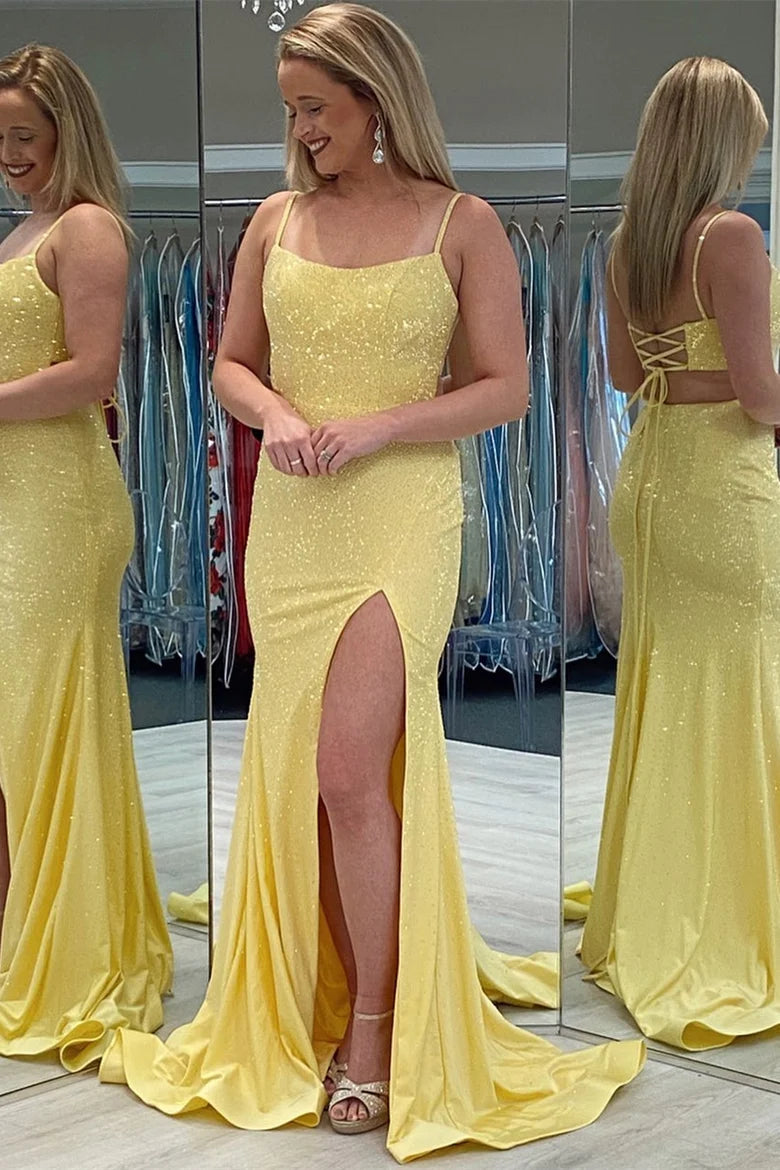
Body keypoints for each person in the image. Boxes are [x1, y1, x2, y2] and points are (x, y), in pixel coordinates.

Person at [100, 5, 643, 1158]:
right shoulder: (275, 220)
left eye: (316, 107)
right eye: (290, 109)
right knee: (304, 775)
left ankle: (376, 1032)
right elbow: (230, 366)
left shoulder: (463, 222)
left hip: (402, 515)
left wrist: (382, 425)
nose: (300, 129)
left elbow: (504, 387)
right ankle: (313, 989)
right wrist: (280, 414)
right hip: (296, 520)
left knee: (351, 768)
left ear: (377, 99)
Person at [581, 56, 780, 1051]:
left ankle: (658, 894)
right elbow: (761, 394)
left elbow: (627, 375)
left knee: (668, 686)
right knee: (738, 685)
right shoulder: (731, 235)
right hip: (720, 480)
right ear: (723, 141)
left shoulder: (630, 245)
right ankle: (725, 909)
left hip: (652, 473)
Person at [0, 43, 172, 1070]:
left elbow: (90, 372)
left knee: (40, 719)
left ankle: (68, 948)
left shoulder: (89, 228)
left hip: (60, 502)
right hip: (14, 495)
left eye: (24, 134)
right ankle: (24, 928)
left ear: (69, 129)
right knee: (14, 726)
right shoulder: (23, 230)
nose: (8, 153)